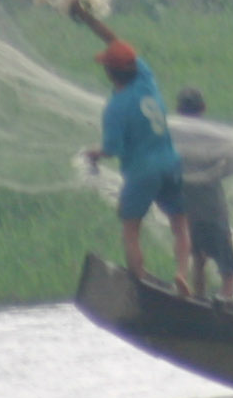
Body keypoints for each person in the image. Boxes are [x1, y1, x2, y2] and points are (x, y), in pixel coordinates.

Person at [81, 39, 195, 288]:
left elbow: (111, 149)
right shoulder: (147, 81)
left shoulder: (115, 108)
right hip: (170, 164)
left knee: (131, 230)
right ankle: (181, 274)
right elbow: (120, 44)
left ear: (110, 73)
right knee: (179, 224)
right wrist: (91, 21)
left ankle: (140, 281)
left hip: (142, 172)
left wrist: (93, 153)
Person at [170, 88, 233, 304]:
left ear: (179, 110)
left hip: (186, 201)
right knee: (224, 256)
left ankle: (198, 298)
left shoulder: (172, 134)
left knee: (197, 256)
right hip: (212, 203)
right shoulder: (213, 135)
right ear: (203, 109)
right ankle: (227, 299)